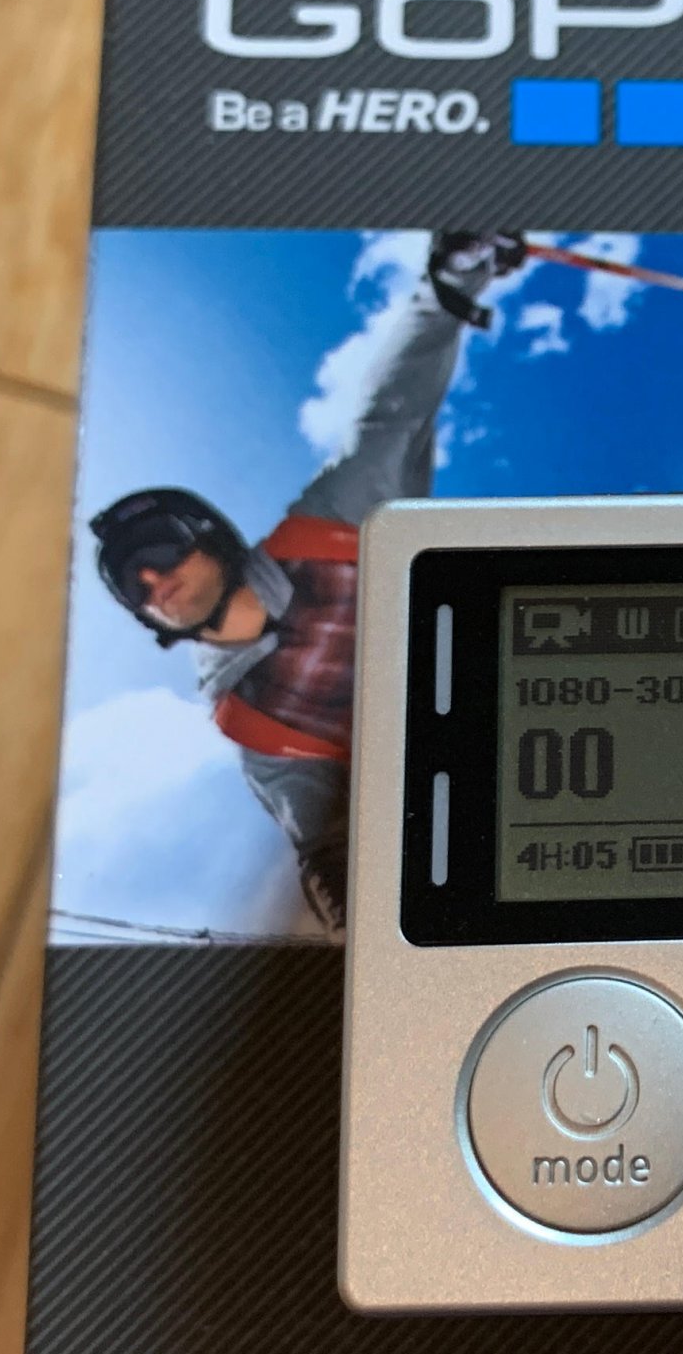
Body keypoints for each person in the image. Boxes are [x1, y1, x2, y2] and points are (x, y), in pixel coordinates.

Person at [86, 233, 524, 931]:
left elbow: (389, 413)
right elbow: (323, 842)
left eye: (160, 551)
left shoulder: (327, 531)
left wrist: (448, 285)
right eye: (129, 586)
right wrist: (352, 911)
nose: (151, 579)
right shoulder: (254, 721)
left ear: (209, 535)